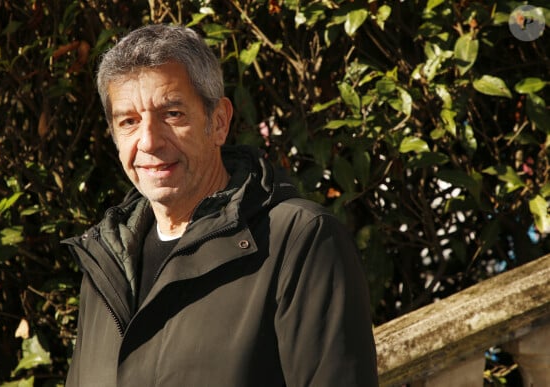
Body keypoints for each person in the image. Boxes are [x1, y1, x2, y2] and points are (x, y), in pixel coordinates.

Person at [62, 23, 378, 386]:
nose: (148, 141)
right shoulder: (106, 265)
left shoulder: (298, 242)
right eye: (128, 122)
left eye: (172, 114)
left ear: (219, 121)